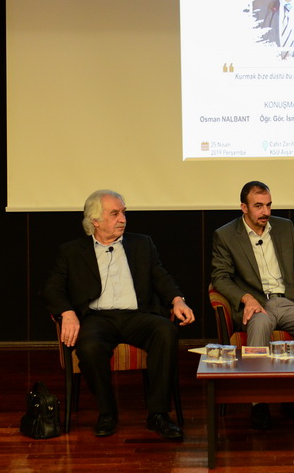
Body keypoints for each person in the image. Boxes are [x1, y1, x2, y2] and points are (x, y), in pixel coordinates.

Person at [42, 189, 195, 440]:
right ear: (95, 220)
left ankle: (158, 414)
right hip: (97, 318)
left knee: (165, 331)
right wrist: (67, 312)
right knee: (89, 347)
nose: (123, 219)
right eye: (114, 214)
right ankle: (107, 413)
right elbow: (52, 288)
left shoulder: (142, 243)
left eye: (123, 212)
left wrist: (177, 300)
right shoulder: (72, 251)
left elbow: (160, 277)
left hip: (137, 315)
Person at [211, 180, 294, 429]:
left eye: (268, 205)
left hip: (287, 300)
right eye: (258, 206)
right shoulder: (225, 235)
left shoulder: (284, 227)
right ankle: (258, 402)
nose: (265, 212)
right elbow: (220, 277)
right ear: (244, 208)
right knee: (259, 326)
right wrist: (245, 298)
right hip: (257, 303)